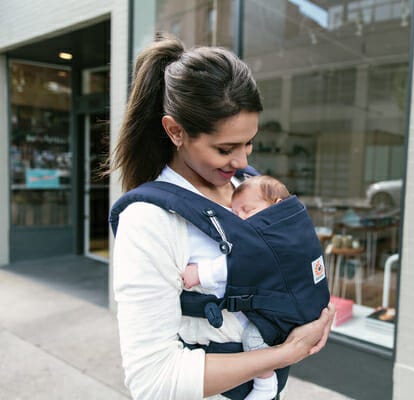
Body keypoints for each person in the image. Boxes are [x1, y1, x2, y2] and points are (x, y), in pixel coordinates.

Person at [108, 33, 335, 400]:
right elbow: (153, 381)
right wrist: (282, 354)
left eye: (249, 142)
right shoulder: (149, 220)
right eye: (225, 148)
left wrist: (315, 315)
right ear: (175, 131)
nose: (243, 161)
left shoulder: (248, 185)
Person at [180, 175, 291, 400]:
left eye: (246, 210)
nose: (239, 218)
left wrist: (201, 273)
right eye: (235, 212)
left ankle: (266, 385)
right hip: (260, 309)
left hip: (273, 315)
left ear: (276, 206)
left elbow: (243, 264)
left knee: (254, 340)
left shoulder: (274, 236)